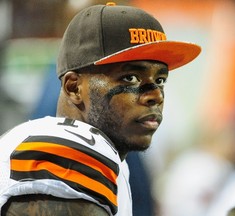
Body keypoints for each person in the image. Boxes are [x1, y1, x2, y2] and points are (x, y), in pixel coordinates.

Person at [0, 2, 201, 216]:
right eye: (130, 78)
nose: (156, 95)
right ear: (74, 87)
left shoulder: (107, 152)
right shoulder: (67, 151)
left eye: (160, 80)